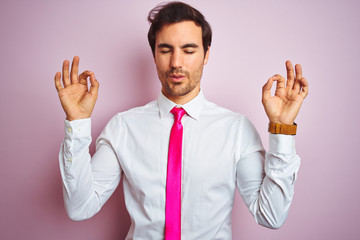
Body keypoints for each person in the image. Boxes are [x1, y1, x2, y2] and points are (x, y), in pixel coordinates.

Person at [54, 2, 308, 239]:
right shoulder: (123, 127)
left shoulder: (237, 130)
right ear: (153, 55)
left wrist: (282, 131)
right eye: (165, 50)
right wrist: (77, 122)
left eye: (189, 50)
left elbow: (271, 216)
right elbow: (80, 207)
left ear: (206, 54)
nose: (176, 63)